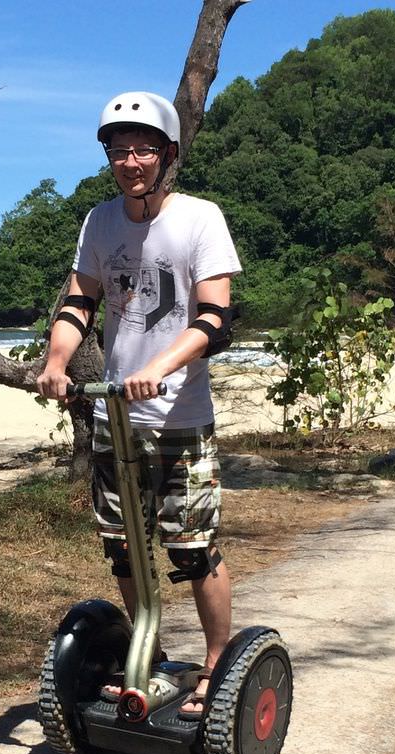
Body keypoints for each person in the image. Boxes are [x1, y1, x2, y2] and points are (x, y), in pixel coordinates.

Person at [36, 91, 242, 720]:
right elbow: (80, 303)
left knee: (192, 547)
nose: (130, 161)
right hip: (115, 420)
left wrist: (158, 366)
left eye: (143, 148)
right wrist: (55, 361)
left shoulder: (200, 218)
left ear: (167, 154)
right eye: (118, 149)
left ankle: (214, 666)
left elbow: (217, 317)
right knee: (124, 546)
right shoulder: (99, 222)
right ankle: (146, 656)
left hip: (178, 416)